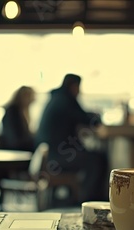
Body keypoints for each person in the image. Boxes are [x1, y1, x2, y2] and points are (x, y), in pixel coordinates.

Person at [36, 74, 108, 203]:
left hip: (52, 155)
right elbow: (86, 118)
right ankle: (88, 201)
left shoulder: (57, 98)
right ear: (74, 86)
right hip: (58, 157)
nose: (79, 92)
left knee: (93, 157)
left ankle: (83, 198)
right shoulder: (66, 100)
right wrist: (97, 117)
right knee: (97, 160)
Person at [0, 86, 36, 152]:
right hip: (11, 151)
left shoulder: (21, 111)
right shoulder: (12, 112)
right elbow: (14, 140)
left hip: (17, 149)